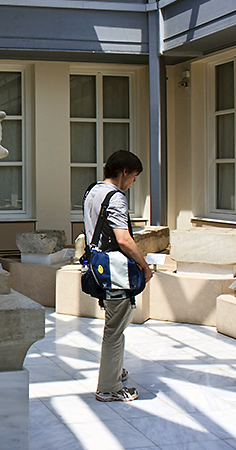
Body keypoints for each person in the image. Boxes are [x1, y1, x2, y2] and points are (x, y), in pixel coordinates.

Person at [83, 150, 152, 402]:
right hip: (116, 273)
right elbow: (123, 239)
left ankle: (115, 372)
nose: (134, 182)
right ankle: (108, 388)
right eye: (134, 176)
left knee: (113, 323)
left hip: (97, 268)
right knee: (115, 329)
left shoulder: (93, 191)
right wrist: (144, 266)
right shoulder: (116, 198)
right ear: (124, 172)